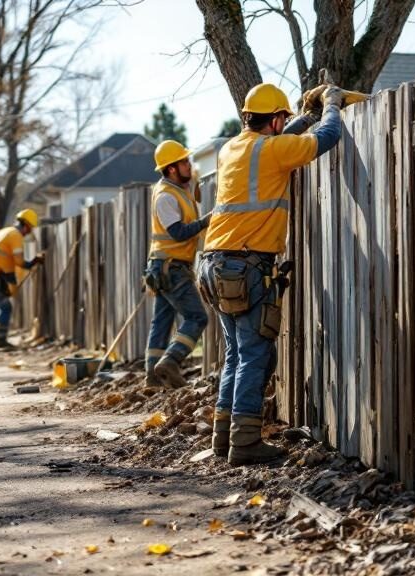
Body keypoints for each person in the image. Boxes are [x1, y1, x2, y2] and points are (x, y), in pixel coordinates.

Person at [198, 82, 343, 465]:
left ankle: (223, 437)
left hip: (213, 264)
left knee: (236, 354)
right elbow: (327, 137)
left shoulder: (232, 148)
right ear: (276, 120)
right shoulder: (274, 150)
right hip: (244, 267)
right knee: (256, 355)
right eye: (282, 120)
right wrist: (330, 105)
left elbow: (281, 139)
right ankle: (244, 443)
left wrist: (304, 116)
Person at [143, 140, 211, 388]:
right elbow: (179, 233)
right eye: (184, 161)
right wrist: (206, 221)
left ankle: (152, 378)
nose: (189, 164)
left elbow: (194, 177)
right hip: (170, 268)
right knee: (197, 317)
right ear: (171, 168)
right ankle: (170, 361)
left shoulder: (177, 189)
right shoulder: (165, 197)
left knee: (162, 320)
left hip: (164, 266)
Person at [0, 209, 44, 349]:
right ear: (26, 225)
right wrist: (34, 261)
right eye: (30, 229)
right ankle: (0, 341)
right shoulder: (16, 236)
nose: (29, 233)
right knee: (6, 307)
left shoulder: (4, 231)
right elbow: (19, 262)